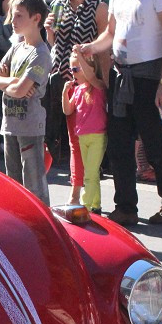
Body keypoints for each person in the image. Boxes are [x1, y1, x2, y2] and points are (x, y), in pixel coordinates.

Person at [76, 0, 162, 226]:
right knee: (120, 144)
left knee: (154, 143)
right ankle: (126, 206)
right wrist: (89, 47)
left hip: (150, 75)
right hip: (121, 74)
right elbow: (110, 34)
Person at [44, 0, 108, 181]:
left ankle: (88, 173)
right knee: (63, 129)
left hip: (86, 76)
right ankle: (73, 174)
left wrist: (100, 79)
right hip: (60, 72)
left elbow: (103, 46)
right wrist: (49, 32)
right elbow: (53, 44)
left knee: (85, 129)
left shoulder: (98, 7)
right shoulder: (58, 4)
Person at [0, 0, 52, 205]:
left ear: (36, 19)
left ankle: (43, 224)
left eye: (18, 16)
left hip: (30, 127)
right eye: (12, 16)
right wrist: (11, 82)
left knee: (34, 184)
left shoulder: (41, 53)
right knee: (13, 183)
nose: (12, 22)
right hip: (10, 125)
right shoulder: (16, 48)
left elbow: (22, 89)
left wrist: (9, 84)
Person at [62, 49, 107, 211]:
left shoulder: (98, 86)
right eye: (71, 69)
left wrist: (80, 56)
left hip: (97, 135)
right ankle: (96, 204)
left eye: (76, 69)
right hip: (83, 136)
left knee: (91, 172)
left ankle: (85, 205)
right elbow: (68, 110)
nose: (73, 73)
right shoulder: (79, 89)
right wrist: (64, 93)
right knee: (90, 172)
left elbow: (93, 78)